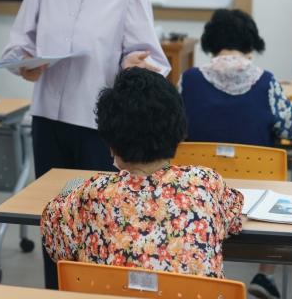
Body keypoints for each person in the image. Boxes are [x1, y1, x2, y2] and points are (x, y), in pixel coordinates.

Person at [41, 67, 243, 281]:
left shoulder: (90, 193)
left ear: (111, 145)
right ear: (178, 133)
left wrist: (71, 189)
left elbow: (55, 242)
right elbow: (234, 217)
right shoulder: (206, 183)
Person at [179, 8, 292, 299]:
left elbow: (174, 131)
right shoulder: (267, 81)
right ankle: (266, 275)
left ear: (210, 45)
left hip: (201, 192)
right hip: (258, 194)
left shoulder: (189, 80)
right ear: (251, 46)